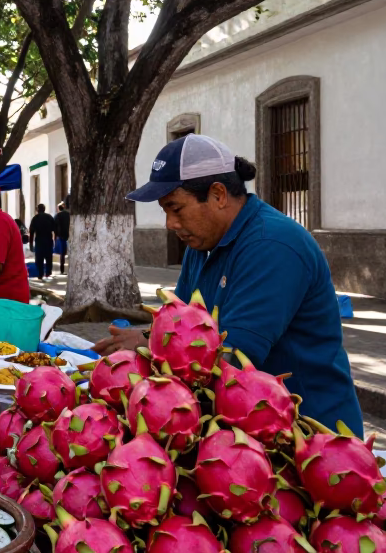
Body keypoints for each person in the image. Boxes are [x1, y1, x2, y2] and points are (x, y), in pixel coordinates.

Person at [93, 134, 364, 436]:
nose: (170, 223)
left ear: (218, 194)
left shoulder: (271, 244)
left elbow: (232, 358)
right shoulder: (202, 245)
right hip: (237, 426)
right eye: (165, 211)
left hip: (308, 435)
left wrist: (149, 347)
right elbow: (181, 328)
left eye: (176, 208)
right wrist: (147, 337)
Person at [28, 203, 57, 279]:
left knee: (39, 259)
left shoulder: (35, 218)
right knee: (48, 258)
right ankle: (48, 273)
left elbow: (31, 232)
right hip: (48, 241)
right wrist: (55, 240)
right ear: (44, 209)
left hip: (39, 242)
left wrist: (31, 244)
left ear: (37, 210)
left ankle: (40, 274)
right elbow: (55, 230)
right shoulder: (49, 217)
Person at [53, 202, 71, 274]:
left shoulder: (57, 216)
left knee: (62, 254)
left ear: (58, 208)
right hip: (68, 235)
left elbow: (54, 227)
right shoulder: (68, 215)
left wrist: (55, 237)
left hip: (60, 237)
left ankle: (62, 270)